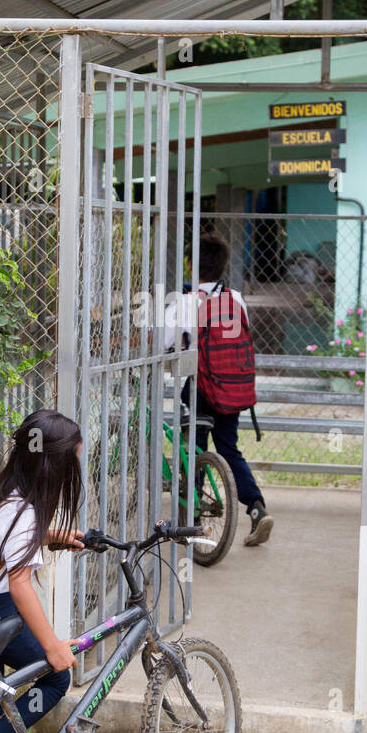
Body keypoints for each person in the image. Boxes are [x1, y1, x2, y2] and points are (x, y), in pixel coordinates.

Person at [0, 409, 85, 733]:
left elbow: (0, 544)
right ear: (52, 467)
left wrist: (48, 536)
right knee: (56, 680)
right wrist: (53, 647)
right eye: (70, 465)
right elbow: (19, 586)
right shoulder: (24, 515)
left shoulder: (1, 490)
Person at [164, 233, 273, 547]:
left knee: (193, 448)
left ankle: (192, 520)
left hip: (199, 388)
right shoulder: (235, 299)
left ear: (190, 265)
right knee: (229, 449)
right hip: (230, 389)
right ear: (224, 265)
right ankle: (256, 507)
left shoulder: (184, 302)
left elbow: (164, 343)